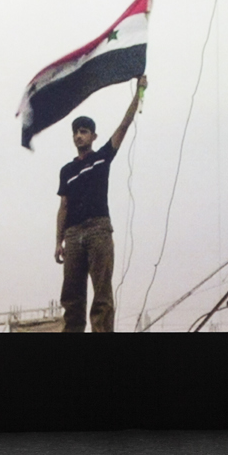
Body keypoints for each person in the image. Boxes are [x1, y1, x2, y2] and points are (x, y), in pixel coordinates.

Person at [54, 76, 146, 333]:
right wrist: (58, 241)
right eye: (76, 132)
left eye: (84, 131)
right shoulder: (67, 170)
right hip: (73, 234)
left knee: (102, 293)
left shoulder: (102, 157)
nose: (79, 136)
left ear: (93, 136)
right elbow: (63, 206)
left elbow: (124, 125)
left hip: (98, 229)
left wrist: (139, 92)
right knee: (71, 295)